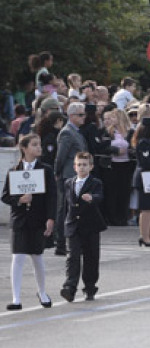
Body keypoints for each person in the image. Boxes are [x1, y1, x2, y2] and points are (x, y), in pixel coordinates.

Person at [3, 134, 56, 310]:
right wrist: (19, 200)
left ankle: (42, 292)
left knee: (37, 257)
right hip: (19, 220)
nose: (39, 147)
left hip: (38, 219)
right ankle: (16, 298)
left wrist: (50, 218)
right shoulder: (14, 170)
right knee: (17, 257)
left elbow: (52, 197)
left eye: (39, 144)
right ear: (24, 148)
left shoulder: (46, 170)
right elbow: (5, 195)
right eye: (34, 145)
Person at [61, 152, 105, 302]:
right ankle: (70, 287)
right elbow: (66, 205)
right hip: (73, 225)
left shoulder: (95, 182)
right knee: (72, 257)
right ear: (74, 166)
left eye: (85, 164)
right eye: (79, 164)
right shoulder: (69, 183)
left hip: (90, 225)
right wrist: (63, 224)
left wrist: (92, 198)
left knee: (91, 257)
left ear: (91, 167)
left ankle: (90, 287)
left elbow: (100, 196)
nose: (81, 167)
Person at [54, 103, 87, 255]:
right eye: (80, 115)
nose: (83, 117)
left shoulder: (76, 132)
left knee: (73, 210)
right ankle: (60, 243)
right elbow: (60, 157)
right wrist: (57, 173)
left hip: (76, 176)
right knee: (65, 210)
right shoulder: (67, 132)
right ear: (72, 116)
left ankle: (71, 242)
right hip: (68, 176)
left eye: (83, 114)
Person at [101, 108, 134, 226]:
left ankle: (123, 217)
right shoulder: (107, 132)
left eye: (113, 117)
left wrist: (129, 151)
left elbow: (135, 147)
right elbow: (103, 147)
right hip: (112, 165)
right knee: (112, 192)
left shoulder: (130, 132)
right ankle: (112, 218)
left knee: (124, 192)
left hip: (126, 165)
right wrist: (116, 150)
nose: (111, 120)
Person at [132, 113, 150, 247]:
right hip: (145, 176)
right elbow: (146, 161)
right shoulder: (143, 143)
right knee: (146, 209)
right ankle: (144, 236)